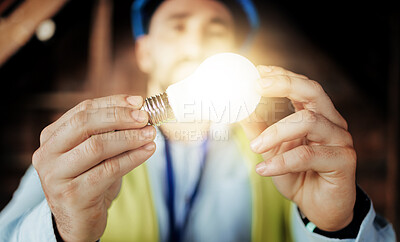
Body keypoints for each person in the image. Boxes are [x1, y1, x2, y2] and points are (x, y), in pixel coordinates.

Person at [0, 0, 396, 241]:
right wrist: (61, 230)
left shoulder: (282, 152)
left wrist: (336, 227)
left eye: (215, 29)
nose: (195, 44)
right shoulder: (84, 152)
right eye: (177, 25)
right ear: (144, 53)